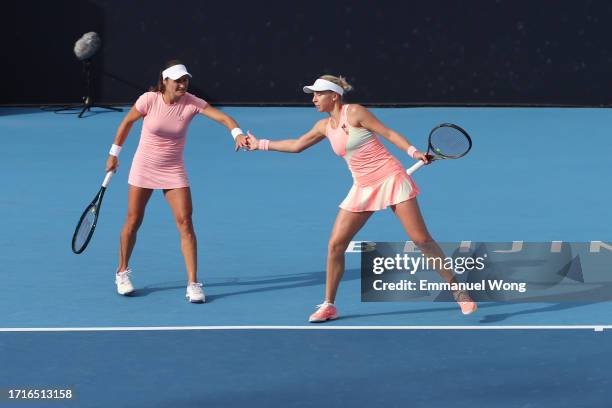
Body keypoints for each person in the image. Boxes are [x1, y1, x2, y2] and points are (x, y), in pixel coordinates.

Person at [246, 75, 477, 322]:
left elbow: (387, 132)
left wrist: (414, 152)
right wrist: (259, 143)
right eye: (312, 94)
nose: (313, 99)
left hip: (391, 178)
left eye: (318, 93)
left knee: (421, 239)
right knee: (335, 245)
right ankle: (329, 305)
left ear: (334, 95)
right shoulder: (323, 127)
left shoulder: (355, 112)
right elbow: (296, 145)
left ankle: (458, 291)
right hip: (362, 187)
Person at [106, 60, 249, 303]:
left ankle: (193, 283)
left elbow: (224, 119)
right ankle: (122, 272)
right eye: (178, 80)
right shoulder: (148, 100)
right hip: (144, 166)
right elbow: (127, 123)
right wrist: (113, 154)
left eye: (186, 80)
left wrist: (237, 134)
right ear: (165, 81)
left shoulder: (192, 102)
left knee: (185, 222)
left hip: (173, 169)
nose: (183, 84)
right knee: (133, 220)